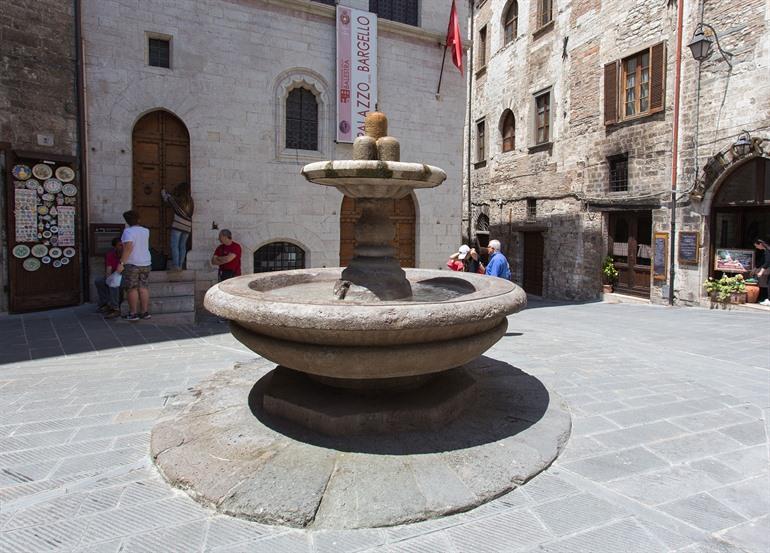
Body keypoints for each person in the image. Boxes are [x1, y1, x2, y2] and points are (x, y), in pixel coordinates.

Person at [117, 210, 152, 321]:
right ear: (138, 219)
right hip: (146, 262)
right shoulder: (146, 231)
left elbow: (128, 247)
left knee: (132, 288)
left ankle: (133, 313)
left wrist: (121, 263)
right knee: (143, 287)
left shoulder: (128, 232)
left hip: (132, 263)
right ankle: (145, 312)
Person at [161, 183, 194, 271]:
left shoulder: (179, 199)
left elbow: (167, 199)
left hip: (178, 225)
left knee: (174, 245)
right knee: (182, 246)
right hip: (187, 226)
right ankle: (181, 264)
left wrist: (164, 191)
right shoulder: (190, 200)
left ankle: (176, 265)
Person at [94, 237, 123, 318]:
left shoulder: (126, 254)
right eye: (120, 245)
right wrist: (108, 278)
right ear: (115, 247)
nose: (122, 247)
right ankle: (105, 303)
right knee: (99, 281)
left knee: (114, 283)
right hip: (114, 274)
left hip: (125, 275)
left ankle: (115, 308)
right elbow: (109, 268)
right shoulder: (110, 255)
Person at [752, 238, 770, 305]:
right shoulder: (766, 250)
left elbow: (767, 262)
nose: (756, 247)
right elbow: (763, 261)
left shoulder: (767, 250)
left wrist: (761, 271)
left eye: (756, 246)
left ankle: (769, 300)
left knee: (769, 283)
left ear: (760, 244)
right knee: (768, 283)